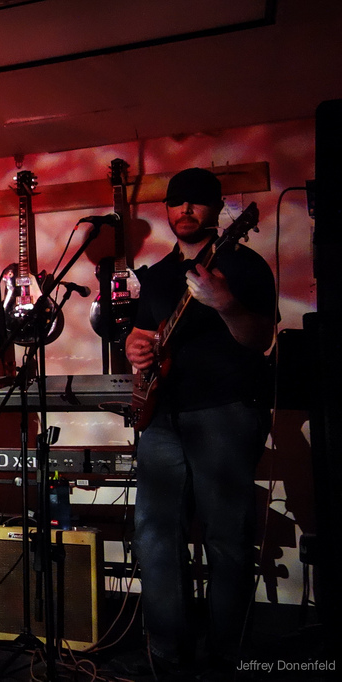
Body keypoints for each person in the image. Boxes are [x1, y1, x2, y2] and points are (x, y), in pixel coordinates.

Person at [120, 168, 276, 679]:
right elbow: (143, 336)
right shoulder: (159, 274)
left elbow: (259, 339)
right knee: (154, 535)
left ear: (218, 210)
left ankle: (227, 655)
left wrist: (225, 303)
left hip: (226, 412)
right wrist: (134, 348)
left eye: (197, 202)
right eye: (176, 202)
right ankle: (167, 651)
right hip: (163, 415)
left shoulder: (243, 264)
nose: (185, 210)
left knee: (226, 537)